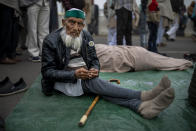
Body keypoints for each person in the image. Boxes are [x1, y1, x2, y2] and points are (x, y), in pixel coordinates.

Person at [41, 8, 175, 119]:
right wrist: (74, 75)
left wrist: (94, 69)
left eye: (80, 24)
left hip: (82, 75)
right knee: (93, 83)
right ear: (64, 22)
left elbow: (94, 59)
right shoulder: (50, 41)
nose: (76, 28)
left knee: (96, 84)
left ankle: (141, 107)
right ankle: (142, 95)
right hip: (61, 81)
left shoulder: (86, 36)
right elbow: (47, 72)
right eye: (71, 22)